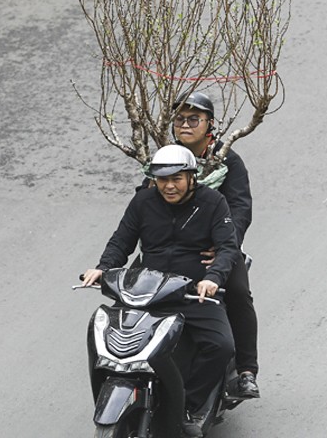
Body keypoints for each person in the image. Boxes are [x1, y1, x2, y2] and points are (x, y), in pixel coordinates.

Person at [82, 145, 239, 438]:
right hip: (148, 290)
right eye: (162, 179)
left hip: (193, 292)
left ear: (192, 177)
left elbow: (228, 247)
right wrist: (103, 268)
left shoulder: (213, 202)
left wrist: (213, 277)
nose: (168, 186)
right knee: (103, 333)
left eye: (176, 179)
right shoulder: (143, 201)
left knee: (221, 346)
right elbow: (121, 241)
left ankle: (189, 406)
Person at [171, 91, 261, 400]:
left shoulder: (228, 161)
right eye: (180, 118)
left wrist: (225, 248)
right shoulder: (166, 158)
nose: (185, 124)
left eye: (193, 119)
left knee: (237, 291)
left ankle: (246, 371)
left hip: (217, 251)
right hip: (172, 250)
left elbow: (240, 209)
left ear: (210, 124)